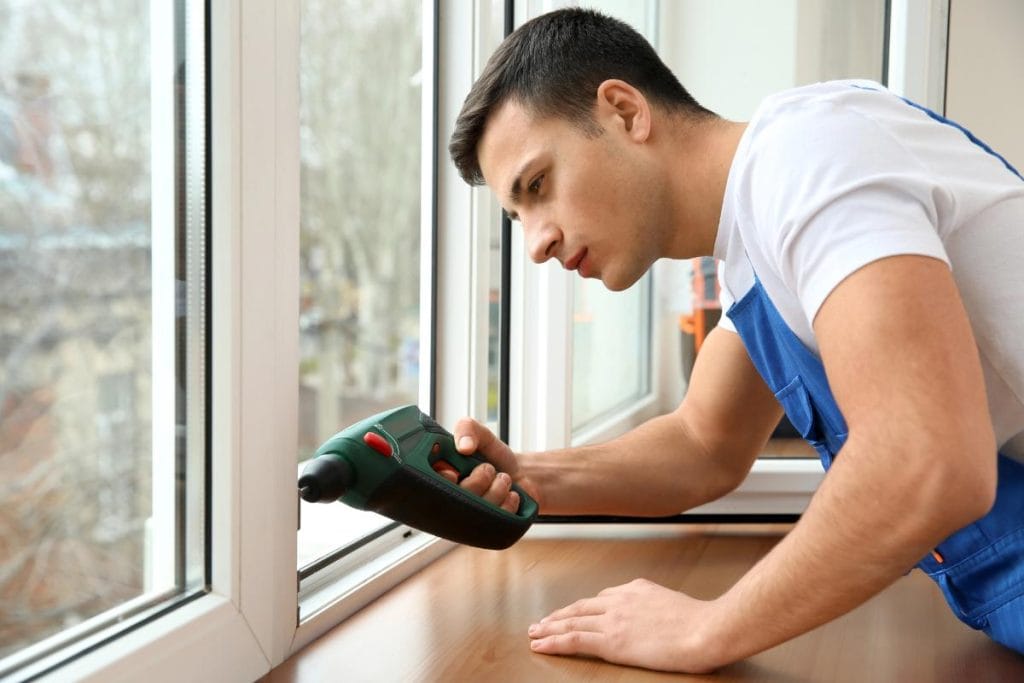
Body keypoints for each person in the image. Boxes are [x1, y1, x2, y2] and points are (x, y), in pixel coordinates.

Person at [439, 7, 1024, 674]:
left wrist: (706, 628)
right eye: (518, 215)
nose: (537, 242)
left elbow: (928, 458)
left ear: (625, 112)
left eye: (538, 185)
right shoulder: (755, 243)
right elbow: (704, 444)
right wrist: (526, 476)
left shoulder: (807, 158)